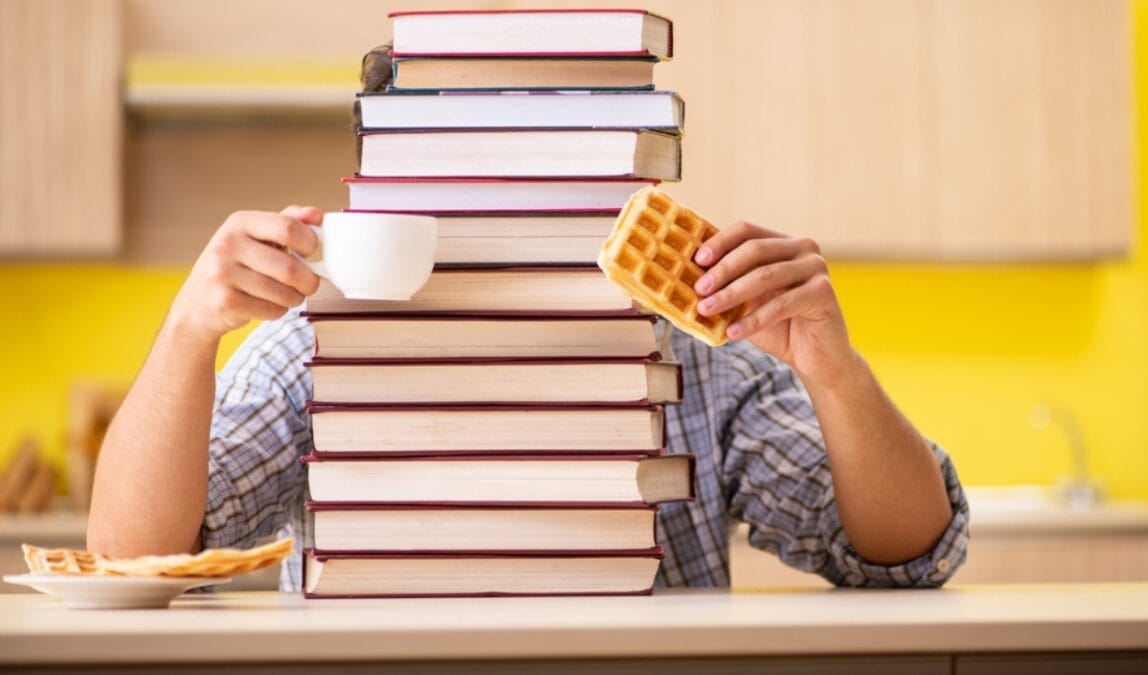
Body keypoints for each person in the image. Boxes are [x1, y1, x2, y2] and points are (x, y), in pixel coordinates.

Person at [87, 47, 969, 590]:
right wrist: (187, 332)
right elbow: (133, 554)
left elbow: (902, 554)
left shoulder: (701, 359)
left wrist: (834, 371)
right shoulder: (314, 350)